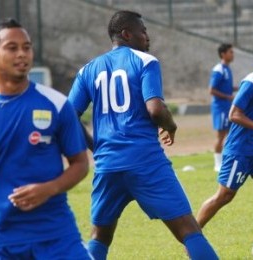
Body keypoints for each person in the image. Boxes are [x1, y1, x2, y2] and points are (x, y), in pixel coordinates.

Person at [68, 10, 218, 260]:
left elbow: (68, 115)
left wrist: (96, 147)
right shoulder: (146, 61)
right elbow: (155, 109)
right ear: (127, 34)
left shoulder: (88, 70)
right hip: (145, 161)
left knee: (100, 236)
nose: (147, 36)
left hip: (108, 165)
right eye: (143, 31)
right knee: (188, 229)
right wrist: (170, 125)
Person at [0, 18, 92, 259]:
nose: (22, 54)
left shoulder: (56, 104)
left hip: (57, 236)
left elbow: (80, 163)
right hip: (3, 241)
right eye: (12, 48)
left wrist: (48, 189)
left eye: (27, 47)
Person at [196, 37, 253, 259]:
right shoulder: (251, 82)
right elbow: (234, 114)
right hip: (239, 150)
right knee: (224, 196)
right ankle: (191, 238)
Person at [209, 43, 238, 172]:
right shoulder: (219, 69)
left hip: (228, 108)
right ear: (223, 54)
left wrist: (239, 88)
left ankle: (228, 161)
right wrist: (228, 97)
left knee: (231, 135)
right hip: (220, 108)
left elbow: (225, 87)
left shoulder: (227, 69)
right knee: (220, 136)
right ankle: (217, 164)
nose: (232, 54)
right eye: (230, 52)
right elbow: (212, 90)